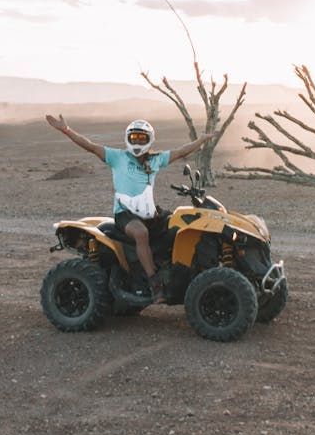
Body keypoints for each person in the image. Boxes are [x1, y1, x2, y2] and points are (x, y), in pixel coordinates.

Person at [45, 115, 213, 302]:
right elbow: (90, 146)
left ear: (150, 140)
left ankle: (175, 273)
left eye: (142, 138)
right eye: (134, 138)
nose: (138, 142)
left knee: (179, 227)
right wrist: (66, 129)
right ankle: (154, 283)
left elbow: (181, 152)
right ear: (128, 138)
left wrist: (201, 140)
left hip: (150, 214)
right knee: (141, 234)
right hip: (125, 214)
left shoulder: (155, 160)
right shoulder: (117, 157)